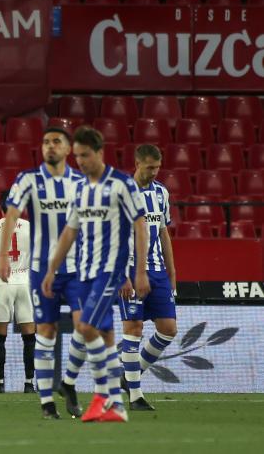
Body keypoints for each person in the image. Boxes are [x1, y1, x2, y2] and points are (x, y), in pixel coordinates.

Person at [41, 127, 150, 423]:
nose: (80, 161)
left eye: (85, 155)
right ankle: (115, 404)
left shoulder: (122, 184)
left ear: (100, 153)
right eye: (76, 156)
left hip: (110, 271)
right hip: (84, 272)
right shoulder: (80, 188)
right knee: (104, 335)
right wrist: (52, 268)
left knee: (85, 327)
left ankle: (102, 397)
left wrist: (138, 271)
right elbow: (70, 231)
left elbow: (141, 226)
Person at [0, 128, 85, 418]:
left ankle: (68, 382)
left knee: (85, 327)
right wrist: (3, 256)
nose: (50, 146)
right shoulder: (28, 180)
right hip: (40, 270)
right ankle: (47, 403)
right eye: (46, 141)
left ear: (68, 148)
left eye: (56, 141)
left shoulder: (81, 182)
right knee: (45, 333)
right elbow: (11, 215)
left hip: (75, 269)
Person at [119, 144, 178, 411]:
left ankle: (129, 375)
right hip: (130, 269)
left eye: (157, 167)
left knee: (168, 329)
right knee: (134, 330)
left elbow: (164, 233)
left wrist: (172, 271)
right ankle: (135, 396)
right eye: (149, 167)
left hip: (157, 270)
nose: (154, 172)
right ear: (137, 163)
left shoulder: (161, 192)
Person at [0, 191, 34, 395]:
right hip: (25, 282)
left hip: (2, 282)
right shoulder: (31, 228)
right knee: (29, 337)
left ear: (0, 207)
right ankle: (29, 384)